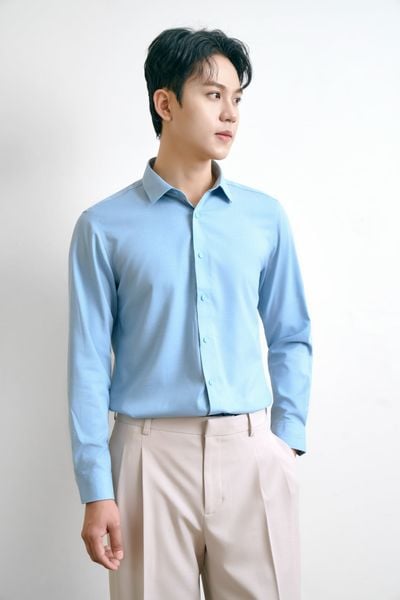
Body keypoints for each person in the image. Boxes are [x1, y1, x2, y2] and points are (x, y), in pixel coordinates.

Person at [67, 26, 313, 600]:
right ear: (166, 103)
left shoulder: (265, 218)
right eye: (213, 94)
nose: (230, 113)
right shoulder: (102, 227)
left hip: (252, 454)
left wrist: (286, 442)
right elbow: (87, 363)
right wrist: (96, 487)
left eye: (237, 98)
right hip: (148, 459)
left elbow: (291, 334)